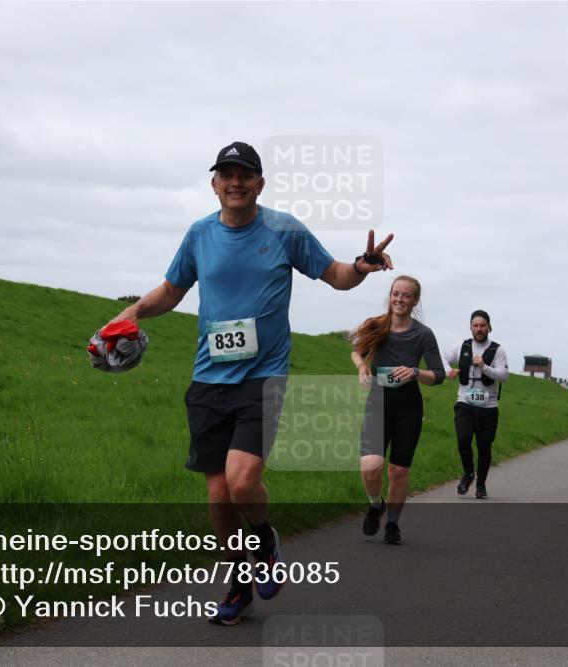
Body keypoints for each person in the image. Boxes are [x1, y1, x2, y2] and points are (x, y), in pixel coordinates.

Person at [105, 141, 393, 625]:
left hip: (263, 378)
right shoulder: (199, 234)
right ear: (214, 184)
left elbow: (336, 275)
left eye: (245, 175)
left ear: (260, 183)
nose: (235, 183)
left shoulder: (283, 230)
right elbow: (172, 291)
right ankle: (239, 581)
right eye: (226, 175)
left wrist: (361, 266)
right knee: (218, 496)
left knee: (241, 483)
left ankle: (265, 540)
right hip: (206, 379)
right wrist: (133, 310)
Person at [350, 275, 445, 545]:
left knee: (398, 472)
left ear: (415, 300)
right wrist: (362, 366)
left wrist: (416, 372)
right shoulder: (377, 325)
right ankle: (374, 505)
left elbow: (438, 375)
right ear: (390, 296)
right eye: (395, 294)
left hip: (408, 407)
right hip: (378, 402)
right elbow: (357, 351)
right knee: (370, 465)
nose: (399, 299)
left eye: (405, 295)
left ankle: (392, 525)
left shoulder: (423, 334)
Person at [443, 310, 509, 499]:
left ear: (489, 327)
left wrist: (483, 366)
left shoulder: (498, 350)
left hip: (488, 407)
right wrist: (448, 371)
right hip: (465, 402)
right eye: (475, 325)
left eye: (482, 325)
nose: (479, 329)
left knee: (484, 447)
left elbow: (504, 376)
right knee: (463, 438)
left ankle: (481, 484)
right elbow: (443, 358)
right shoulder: (462, 345)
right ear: (471, 327)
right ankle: (468, 473)